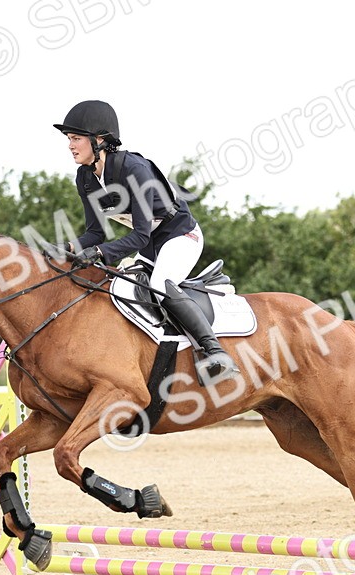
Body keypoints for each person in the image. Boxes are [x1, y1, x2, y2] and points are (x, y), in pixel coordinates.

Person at [52, 100, 239, 383]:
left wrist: (99, 253)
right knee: (119, 290)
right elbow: (95, 234)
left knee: (158, 285)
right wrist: (65, 249)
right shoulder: (85, 178)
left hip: (180, 237)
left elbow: (138, 234)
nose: (70, 145)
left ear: (99, 140)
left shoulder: (133, 168)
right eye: (69, 139)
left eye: (75, 138)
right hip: (150, 246)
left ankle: (216, 354)